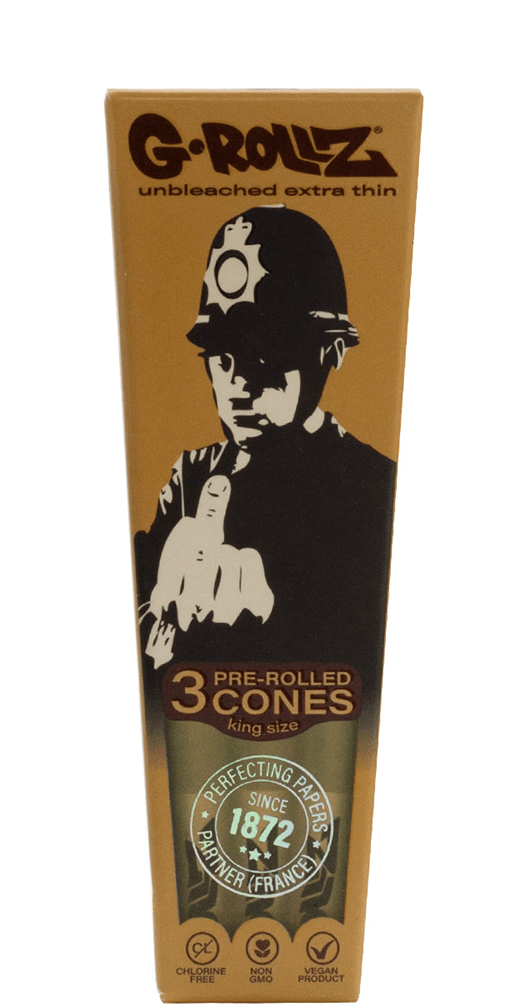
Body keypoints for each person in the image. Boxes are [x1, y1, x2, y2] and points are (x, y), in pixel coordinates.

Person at [135, 206, 396, 690]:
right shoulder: (191, 478)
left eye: (267, 352)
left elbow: (371, 657)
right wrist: (163, 613)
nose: (238, 383)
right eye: (222, 357)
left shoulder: (374, 488)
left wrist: (268, 626)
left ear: (331, 352)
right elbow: (142, 645)